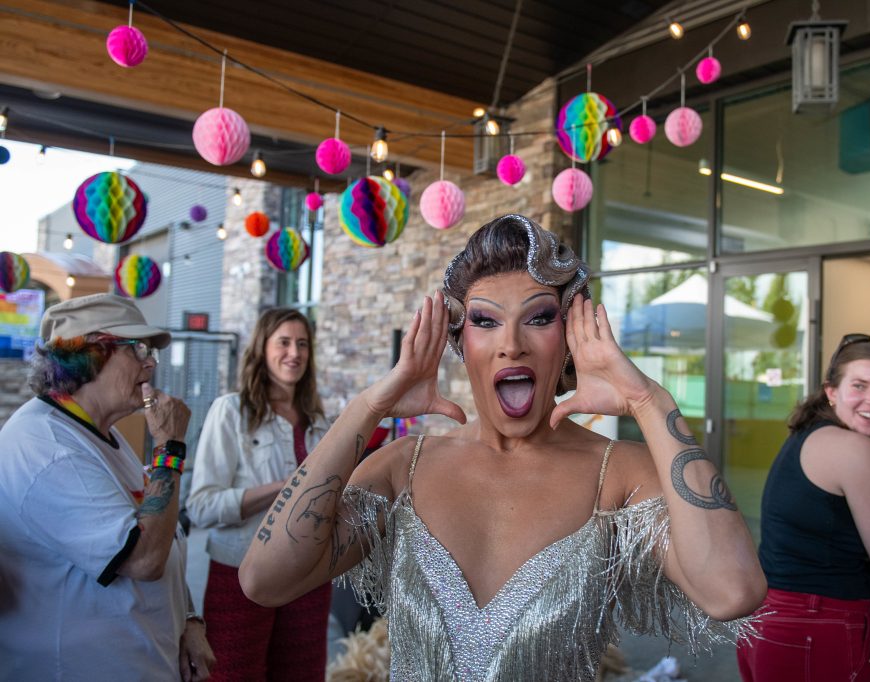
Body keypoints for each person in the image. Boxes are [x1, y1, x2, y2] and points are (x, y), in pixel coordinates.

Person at [239, 214, 766, 681]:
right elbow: (264, 578)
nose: (511, 343)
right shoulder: (404, 467)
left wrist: (647, 399)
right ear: (459, 341)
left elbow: (732, 591)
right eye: (485, 321)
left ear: (568, 340)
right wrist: (369, 406)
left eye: (538, 318)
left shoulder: (618, 473)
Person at [0, 292, 215, 680]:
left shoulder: (99, 434)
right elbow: (143, 559)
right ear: (90, 354)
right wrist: (170, 451)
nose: (150, 361)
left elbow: (166, 538)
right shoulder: (47, 447)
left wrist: (190, 621)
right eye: (137, 348)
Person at [736, 333, 870, 682]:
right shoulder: (855, 449)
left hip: (768, 621)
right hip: (813, 626)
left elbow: (822, 536)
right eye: (860, 386)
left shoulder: (808, 434)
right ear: (831, 392)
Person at [187, 308, 331, 681]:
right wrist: (284, 490)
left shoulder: (319, 422)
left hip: (308, 576)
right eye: (283, 342)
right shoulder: (231, 412)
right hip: (241, 574)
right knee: (235, 673)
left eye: (302, 344)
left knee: (302, 674)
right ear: (262, 349)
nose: (294, 353)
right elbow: (201, 506)